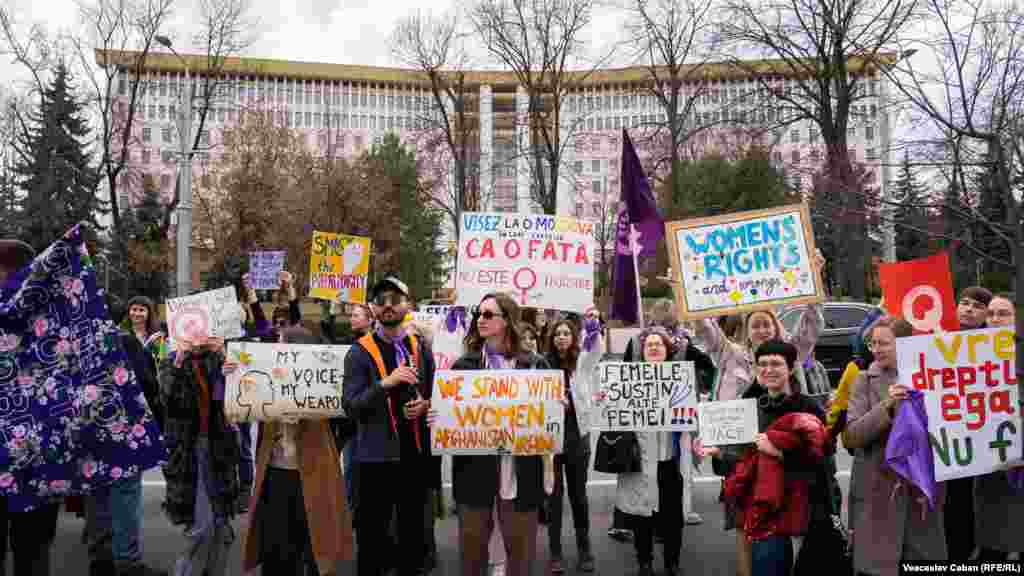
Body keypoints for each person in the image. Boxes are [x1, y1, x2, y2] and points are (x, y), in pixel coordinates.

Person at [226, 326, 352, 575]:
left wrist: (330, 447)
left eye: (282, 343)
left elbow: (349, 420)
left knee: (314, 541)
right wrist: (232, 376)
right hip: (275, 473)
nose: (277, 348)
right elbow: (239, 404)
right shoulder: (267, 376)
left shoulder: (321, 381)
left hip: (314, 472)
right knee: (277, 545)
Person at [700, 339, 830, 576]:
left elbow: (824, 457)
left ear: (791, 368)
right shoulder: (751, 407)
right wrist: (719, 453)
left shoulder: (809, 407)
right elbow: (746, 460)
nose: (768, 370)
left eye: (776, 364)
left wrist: (780, 453)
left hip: (803, 507)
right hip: (765, 509)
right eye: (762, 364)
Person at [446, 293, 550, 576]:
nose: (481, 319)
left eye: (488, 314)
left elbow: (549, 419)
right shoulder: (464, 366)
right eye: (478, 314)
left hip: (521, 472)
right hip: (474, 473)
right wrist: (438, 416)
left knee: (521, 554)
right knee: (472, 554)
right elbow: (452, 418)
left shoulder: (536, 365)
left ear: (507, 321)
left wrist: (556, 407)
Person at [342, 276, 435, 576]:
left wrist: (424, 405)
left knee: (413, 537)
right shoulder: (359, 351)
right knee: (373, 538)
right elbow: (350, 406)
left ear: (408, 305)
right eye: (381, 300)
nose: (388, 305)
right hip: (374, 458)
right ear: (372, 308)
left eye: (395, 300)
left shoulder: (419, 347)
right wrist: (386, 383)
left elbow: (434, 394)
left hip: (413, 455)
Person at [845, 317, 946, 575]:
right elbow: (852, 436)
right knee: (880, 566)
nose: (876, 349)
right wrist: (887, 406)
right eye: (873, 343)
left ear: (904, 344)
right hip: (878, 491)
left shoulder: (931, 377)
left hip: (919, 490)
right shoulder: (864, 380)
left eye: (884, 343)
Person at [83, 294, 168, 576]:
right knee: (126, 494)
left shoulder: (79, 341)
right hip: (124, 430)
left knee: (97, 493)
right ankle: (127, 560)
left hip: (90, 429)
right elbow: (148, 384)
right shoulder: (126, 341)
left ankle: (99, 554)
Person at [0, 238, 61, 576]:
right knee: (34, 550)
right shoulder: (52, 319)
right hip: (40, 456)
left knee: (31, 548)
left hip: (21, 455)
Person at [160, 329, 241, 576]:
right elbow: (168, 399)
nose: (196, 337)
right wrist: (178, 361)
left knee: (220, 522)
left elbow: (237, 397)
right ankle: (184, 570)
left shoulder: (218, 359)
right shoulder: (172, 362)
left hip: (218, 447)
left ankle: (212, 569)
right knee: (200, 524)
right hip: (189, 450)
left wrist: (225, 357)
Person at [616, 327, 688, 576]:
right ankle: (644, 562)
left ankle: (672, 562)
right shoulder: (629, 380)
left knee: (673, 518)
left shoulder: (680, 379)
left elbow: (690, 417)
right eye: (649, 345)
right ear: (643, 352)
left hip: (669, 461)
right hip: (641, 462)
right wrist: (604, 399)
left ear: (667, 351)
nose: (654, 347)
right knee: (642, 517)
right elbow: (613, 409)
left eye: (659, 344)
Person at [544, 319, 597, 574]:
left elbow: (596, 349)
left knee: (578, 496)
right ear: (552, 338)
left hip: (577, 436)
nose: (562, 337)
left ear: (574, 337)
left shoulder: (582, 362)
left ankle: (584, 549)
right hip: (551, 438)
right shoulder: (543, 364)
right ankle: (555, 553)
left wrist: (594, 327)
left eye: (566, 333)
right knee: (553, 498)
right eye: (557, 334)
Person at [944, 285, 992, 562]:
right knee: (952, 501)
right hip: (946, 435)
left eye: (977, 306)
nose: (969, 309)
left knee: (976, 500)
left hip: (982, 434)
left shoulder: (996, 343)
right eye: (964, 303)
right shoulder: (936, 337)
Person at [974, 292, 1021, 561]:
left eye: (1003, 313)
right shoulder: (969, 352)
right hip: (986, 460)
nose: (994, 319)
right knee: (992, 536)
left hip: (1018, 461)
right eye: (990, 314)